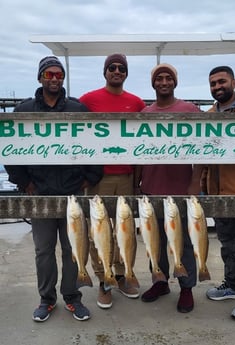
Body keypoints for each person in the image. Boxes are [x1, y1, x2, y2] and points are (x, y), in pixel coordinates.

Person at [4, 56, 103, 322]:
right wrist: (24, 183)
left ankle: (72, 297)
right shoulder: (24, 109)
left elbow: (96, 145)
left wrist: (90, 177)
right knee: (43, 251)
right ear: (40, 78)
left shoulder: (78, 109)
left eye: (59, 74)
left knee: (73, 250)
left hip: (72, 194)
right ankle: (46, 299)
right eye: (49, 74)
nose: (55, 78)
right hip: (41, 195)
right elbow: (11, 150)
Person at [190, 65, 235, 322]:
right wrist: (201, 187)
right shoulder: (210, 114)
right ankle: (233, 285)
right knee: (228, 245)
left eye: (222, 81)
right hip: (218, 195)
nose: (217, 87)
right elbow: (204, 156)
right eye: (213, 84)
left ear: (234, 81)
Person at [79, 53, 145, 309]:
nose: (117, 71)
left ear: (126, 73)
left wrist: (139, 178)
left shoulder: (137, 102)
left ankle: (122, 275)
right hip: (99, 177)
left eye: (121, 68)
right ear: (105, 72)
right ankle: (103, 281)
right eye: (112, 67)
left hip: (127, 175)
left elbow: (143, 140)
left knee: (125, 231)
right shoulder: (88, 99)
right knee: (99, 231)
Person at [134, 63, 200, 313]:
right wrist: (136, 184)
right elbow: (136, 152)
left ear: (175, 82)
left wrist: (196, 181)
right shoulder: (144, 112)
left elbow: (205, 147)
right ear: (153, 83)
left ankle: (186, 287)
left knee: (184, 243)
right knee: (155, 242)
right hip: (151, 188)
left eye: (168, 78)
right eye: (159, 78)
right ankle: (160, 282)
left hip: (182, 189)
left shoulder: (190, 110)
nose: (164, 82)